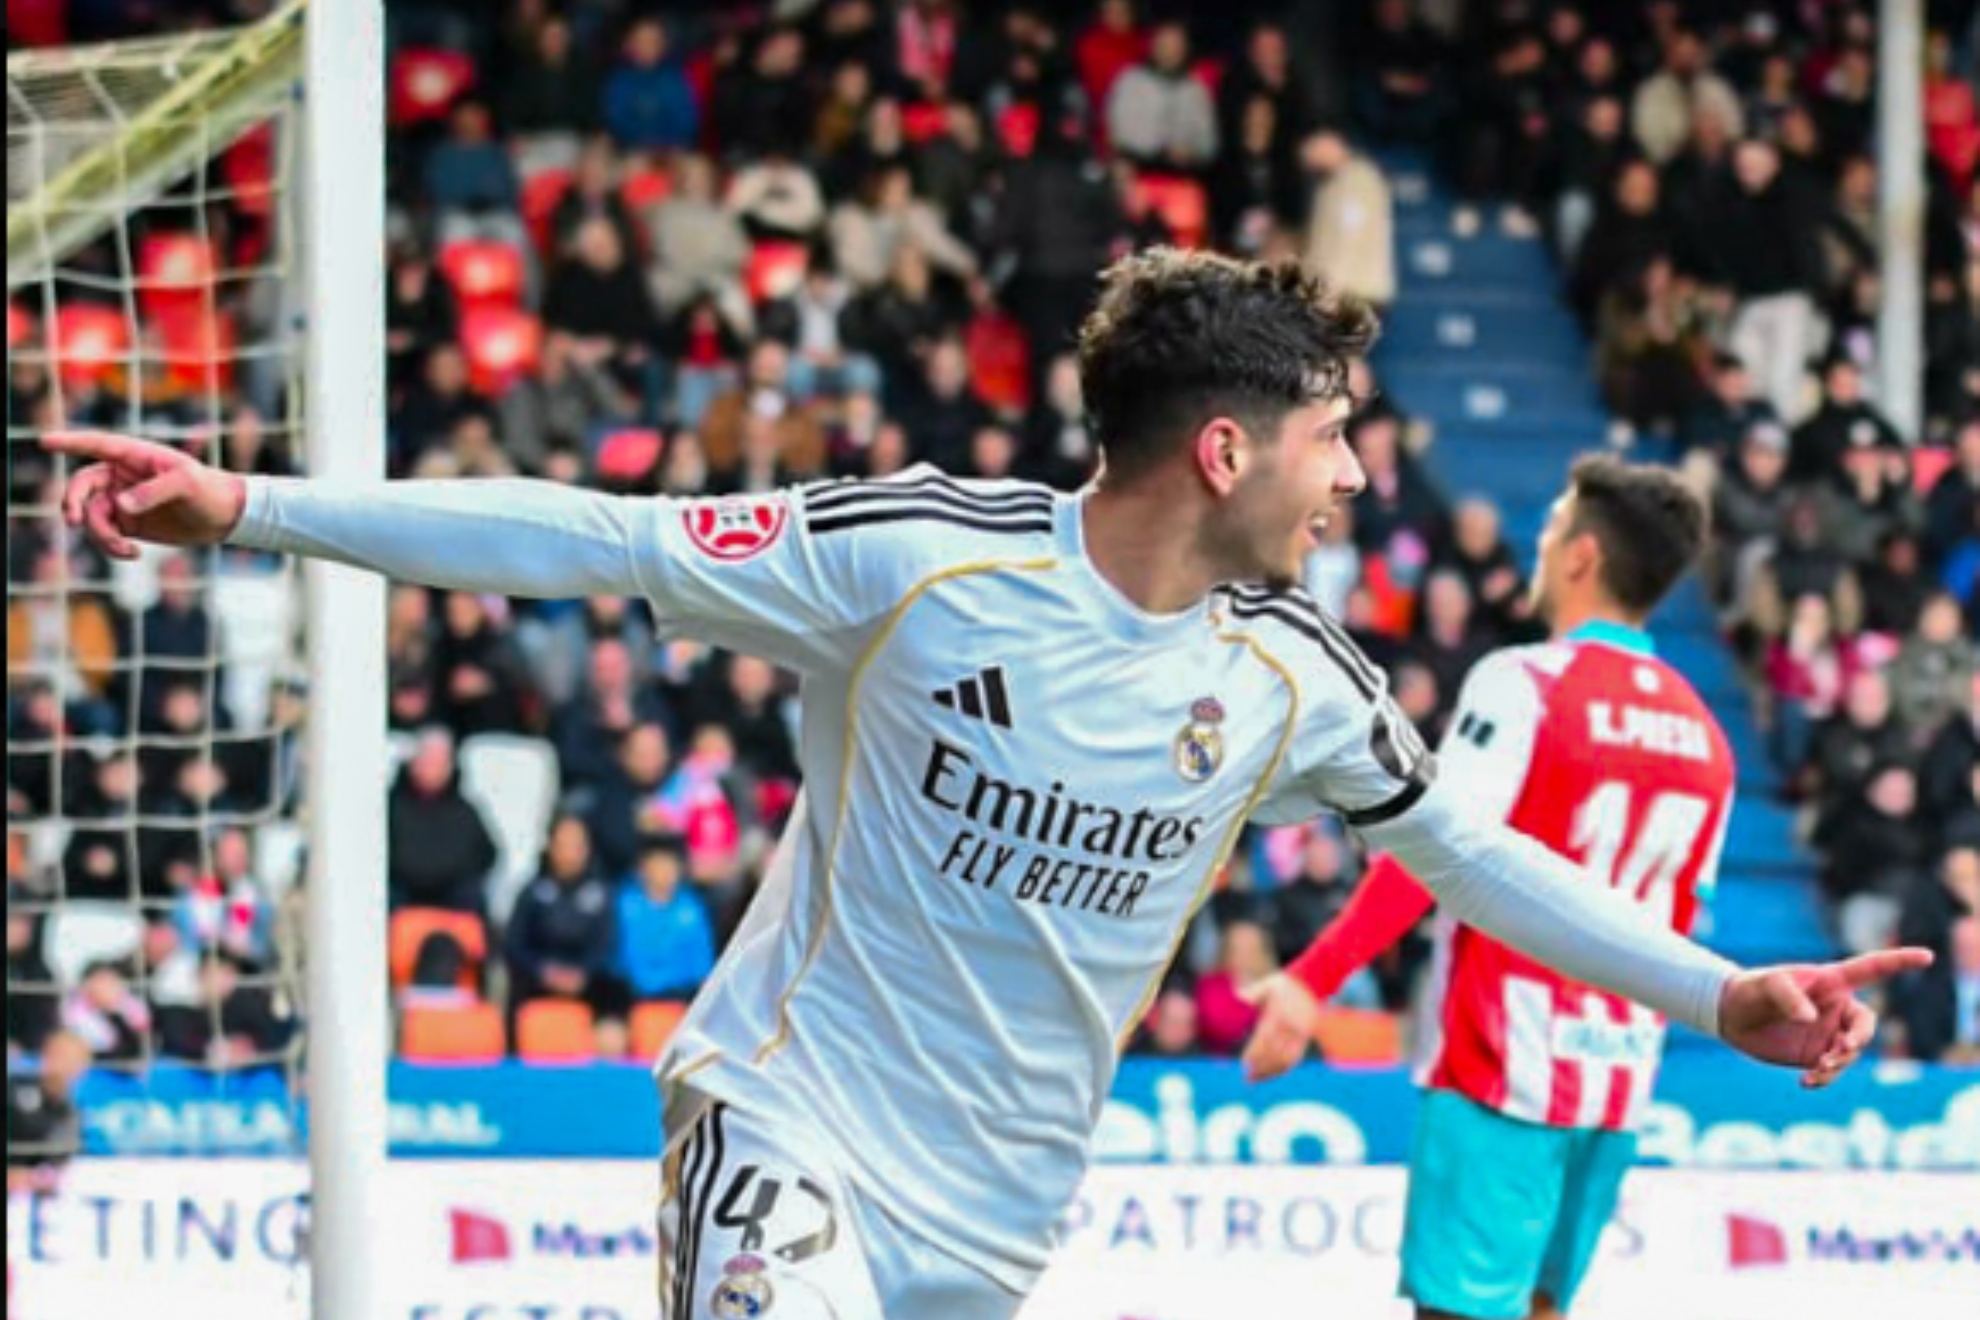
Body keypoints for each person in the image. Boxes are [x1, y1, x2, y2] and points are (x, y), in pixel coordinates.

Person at [47, 249, 1926, 1320]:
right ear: (1222, 449)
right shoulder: (919, 556)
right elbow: (592, 540)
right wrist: (252, 505)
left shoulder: (1289, 674)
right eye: (1332, 442)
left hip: (1000, 1216)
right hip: (793, 1131)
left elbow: (1470, 854)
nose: (1356, 480)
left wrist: (1720, 991)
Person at [1245, 458, 1737, 1320]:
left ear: (1581, 555)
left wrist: (1310, 981)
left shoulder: (1525, 681)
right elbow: (1686, 916)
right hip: (1618, 1081)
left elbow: (1432, 857)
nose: (1540, 547)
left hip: (1502, 1064)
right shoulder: (1707, 735)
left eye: (1550, 531)